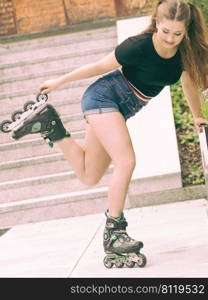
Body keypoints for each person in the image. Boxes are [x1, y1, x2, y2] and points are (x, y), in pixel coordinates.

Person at [9, 0, 208, 267]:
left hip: (122, 109)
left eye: (177, 33)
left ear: (186, 31)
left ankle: (50, 126)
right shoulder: (137, 46)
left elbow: (189, 87)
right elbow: (100, 66)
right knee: (126, 161)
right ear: (156, 24)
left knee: (89, 174)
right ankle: (115, 232)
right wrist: (59, 81)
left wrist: (196, 114)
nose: (170, 39)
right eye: (165, 31)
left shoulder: (184, 55)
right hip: (104, 97)